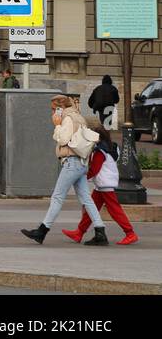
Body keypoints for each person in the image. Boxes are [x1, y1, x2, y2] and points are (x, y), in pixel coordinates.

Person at [21, 95, 107, 245]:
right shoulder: (79, 117)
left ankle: (42, 231)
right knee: (86, 198)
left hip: (72, 162)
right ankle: (100, 231)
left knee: (57, 197)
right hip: (81, 163)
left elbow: (63, 140)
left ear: (60, 108)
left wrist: (57, 125)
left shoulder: (67, 119)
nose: (52, 113)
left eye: (53, 109)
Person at [62, 129, 136, 246]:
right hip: (103, 184)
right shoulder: (109, 148)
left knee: (114, 210)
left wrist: (77, 177)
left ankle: (130, 233)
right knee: (91, 209)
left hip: (104, 184)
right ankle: (79, 232)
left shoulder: (100, 151)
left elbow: (94, 169)